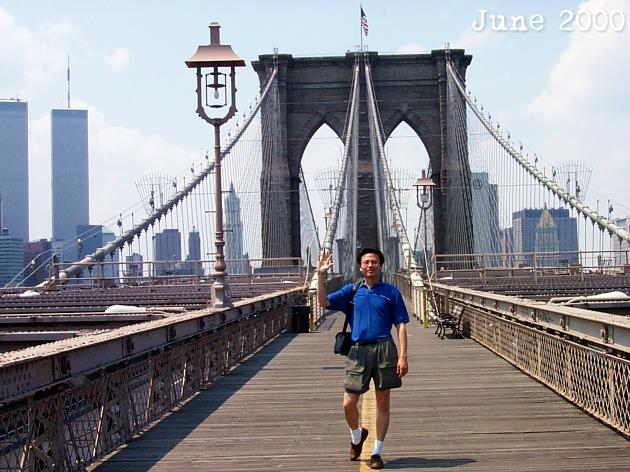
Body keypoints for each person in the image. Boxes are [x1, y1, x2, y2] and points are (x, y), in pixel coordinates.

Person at [316, 247, 409, 470]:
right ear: (360, 266)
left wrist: (403, 356)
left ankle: (376, 452)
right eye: (366, 262)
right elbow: (323, 303)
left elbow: (401, 325)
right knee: (348, 403)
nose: (370, 265)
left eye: (374, 262)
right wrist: (320, 275)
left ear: (381, 265)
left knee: (383, 401)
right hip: (357, 350)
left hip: (384, 348)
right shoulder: (352, 290)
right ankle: (357, 436)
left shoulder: (391, 292)